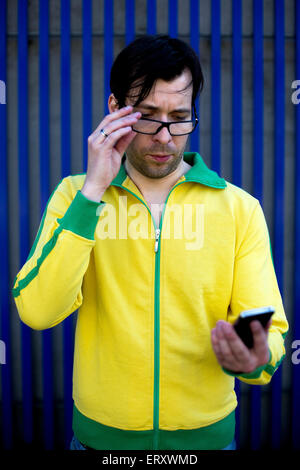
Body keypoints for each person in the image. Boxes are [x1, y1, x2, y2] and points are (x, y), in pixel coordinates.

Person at [12, 35, 288, 451]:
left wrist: (257, 357)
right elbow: (37, 310)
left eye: (179, 117)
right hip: (99, 444)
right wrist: (92, 194)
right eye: (147, 115)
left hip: (208, 442)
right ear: (115, 110)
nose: (164, 137)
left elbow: (269, 329)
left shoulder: (239, 208)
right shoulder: (75, 197)